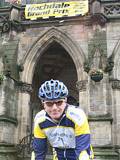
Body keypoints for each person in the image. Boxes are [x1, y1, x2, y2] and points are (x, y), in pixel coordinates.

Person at [32, 79, 94, 160]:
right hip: (59, 155)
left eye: (59, 102)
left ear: (65, 101)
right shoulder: (39, 120)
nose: (54, 108)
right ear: (43, 104)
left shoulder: (77, 115)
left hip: (78, 153)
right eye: (49, 103)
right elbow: (38, 152)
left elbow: (82, 152)